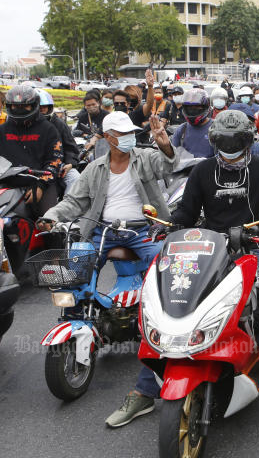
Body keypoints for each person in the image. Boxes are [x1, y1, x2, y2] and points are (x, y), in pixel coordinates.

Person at [165, 109, 259, 438]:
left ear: (248, 142)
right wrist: (174, 223)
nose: (229, 150)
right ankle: (146, 389)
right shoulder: (202, 171)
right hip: (210, 249)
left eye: (236, 143)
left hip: (252, 248)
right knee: (176, 303)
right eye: (223, 143)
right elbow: (188, 212)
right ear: (214, 142)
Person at [37, 111, 178, 428]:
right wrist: (52, 216)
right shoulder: (96, 168)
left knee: (165, 270)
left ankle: (163, 328)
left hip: (143, 231)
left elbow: (169, 165)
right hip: (100, 230)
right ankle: (77, 321)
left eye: (131, 133)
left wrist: (165, 144)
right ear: (108, 137)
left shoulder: (144, 157)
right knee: (75, 271)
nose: (129, 137)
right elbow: (74, 201)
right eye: (122, 133)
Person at [1, 85, 63, 218]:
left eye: (25, 106)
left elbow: (55, 161)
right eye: (15, 106)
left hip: (39, 184)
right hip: (7, 184)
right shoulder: (2, 130)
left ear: (34, 105)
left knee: (48, 222)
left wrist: (41, 185)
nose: (19, 110)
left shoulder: (48, 129)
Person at [36, 90, 80, 193]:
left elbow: (71, 147)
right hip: (34, 167)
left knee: (76, 179)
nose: (41, 109)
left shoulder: (58, 123)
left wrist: (70, 164)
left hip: (58, 165)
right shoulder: (25, 124)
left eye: (44, 106)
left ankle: (68, 207)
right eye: (38, 106)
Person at [170, 89, 214, 158]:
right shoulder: (181, 130)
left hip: (208, 168)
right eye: (189, 107)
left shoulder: (216, 128)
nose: (192, 110)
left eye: (197, 107)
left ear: (205, 107)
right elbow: (173, 156)